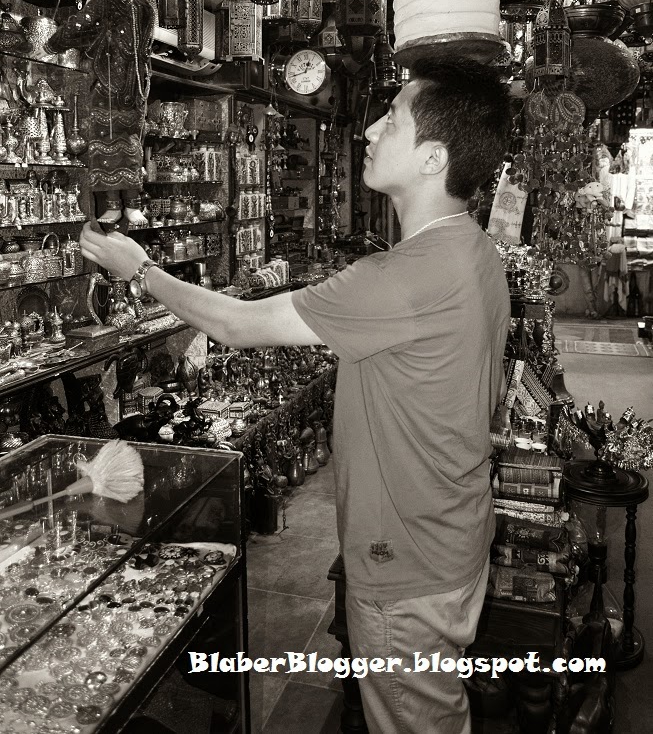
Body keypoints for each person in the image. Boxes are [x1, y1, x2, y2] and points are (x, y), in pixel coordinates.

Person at [80, 56, 512, 734]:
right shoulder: (473, 251)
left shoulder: (406, 276)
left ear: (432, 159)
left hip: (405, 555)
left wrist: (143, 270)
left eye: (390, 119)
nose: (368, 129)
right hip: (448, 534)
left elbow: (235, 324)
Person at [47, 0, 156, 228]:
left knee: (133, 143)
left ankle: (132, 203)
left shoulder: (146, 4)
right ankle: (112, 203)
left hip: (136, 86)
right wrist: (51, 44)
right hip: (109, 82)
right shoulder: (108, 0)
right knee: (105, 141)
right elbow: (78, 27)